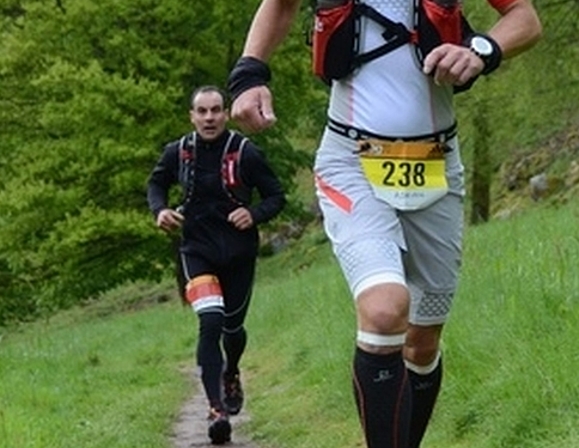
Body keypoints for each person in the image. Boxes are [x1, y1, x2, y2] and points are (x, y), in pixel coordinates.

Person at [227, 0, 541, 447]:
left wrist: (481, 50)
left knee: (422, 341)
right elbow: (280, 5)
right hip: (351, 162)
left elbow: (526, 19)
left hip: (436, 162)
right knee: (384, 307)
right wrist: (249, 76)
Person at [146, 85, 286, 445]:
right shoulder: (178, 152)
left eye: (216, 111)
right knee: (209, 322)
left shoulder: (245, 152)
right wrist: (160, 210)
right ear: (192, 116)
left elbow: (276, 196)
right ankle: (215, 409)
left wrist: (253, 213)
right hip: (196, 251)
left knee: (232, 329)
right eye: (202, 111)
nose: (209, 118)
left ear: (225, 113)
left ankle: (232, 371)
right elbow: (156, 183)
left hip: (238, 254)